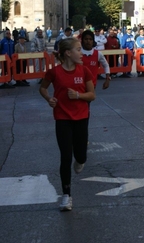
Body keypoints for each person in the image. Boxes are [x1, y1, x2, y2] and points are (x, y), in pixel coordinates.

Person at [39, 38, 95, 211]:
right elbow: (43, 88)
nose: (81, 52)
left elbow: (91, 95)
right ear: (68, 53)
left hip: (81, 117)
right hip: (62, 118)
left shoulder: (84, 71)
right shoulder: (54, 72)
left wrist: (78, 96)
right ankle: (66, 195)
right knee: (65, 156)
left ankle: (80, 160)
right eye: (78, 49)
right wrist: (49, 99)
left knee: (80, 156)